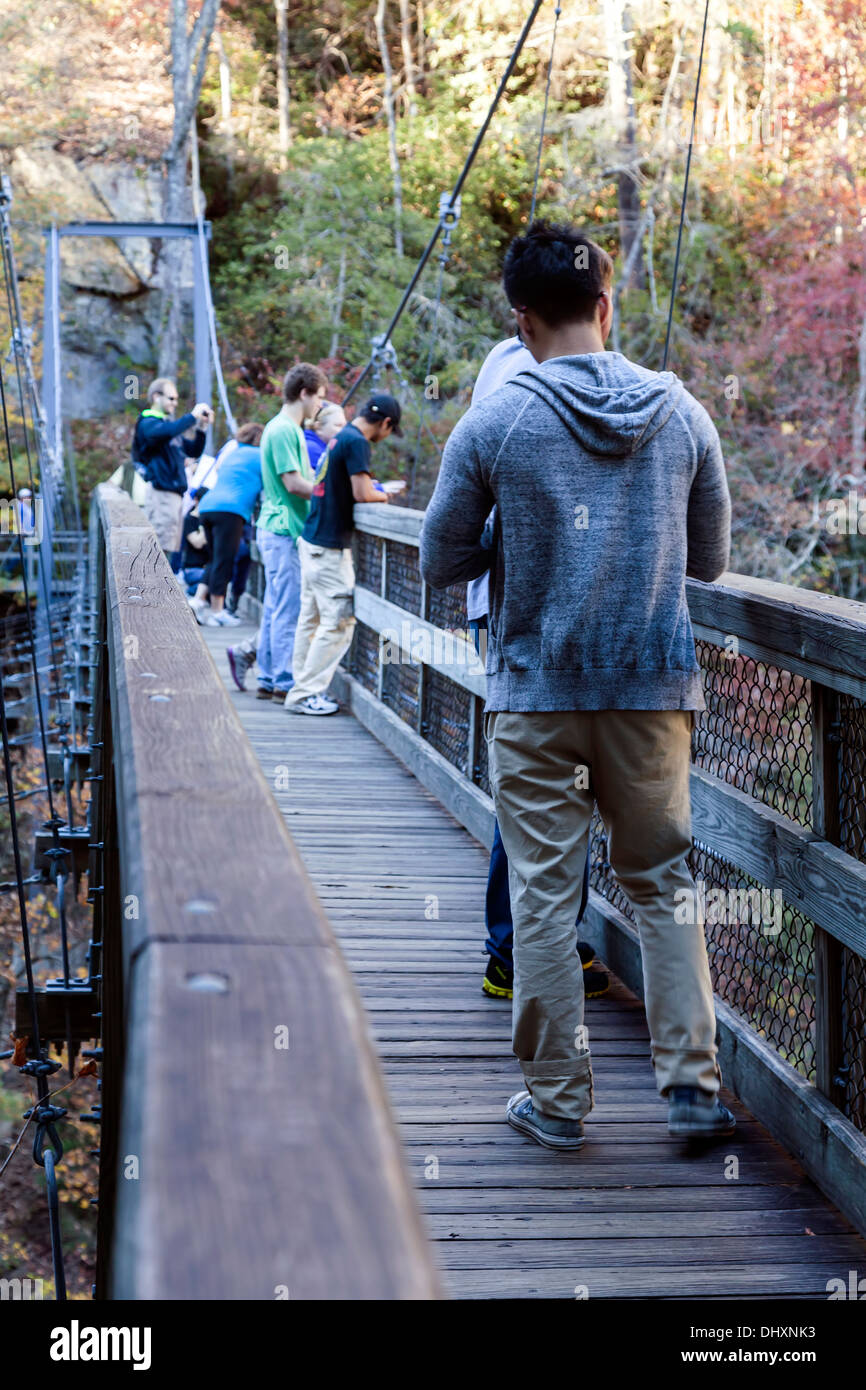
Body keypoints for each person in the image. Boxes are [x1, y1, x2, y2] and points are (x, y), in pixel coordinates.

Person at [420, 219, 734, 1150]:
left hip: (536, 696)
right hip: (651, 694)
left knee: (546, 896)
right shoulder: (683, 413)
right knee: (665, 884)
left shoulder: (496, 419)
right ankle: (690, 1088)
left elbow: (440, 557)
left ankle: (559, 1101)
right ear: (606, 304)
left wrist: (513, 543)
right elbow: (710, 562)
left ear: (521, 322)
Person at [465, 338, 608, 1004]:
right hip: (528, 607)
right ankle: (514, 947)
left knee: (542, 777)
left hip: (509, 606)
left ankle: (533, 943)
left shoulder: (503, 365)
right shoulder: (532, 377)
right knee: (545, 782)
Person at [285, 394, 404, 716]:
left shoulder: (340, 438)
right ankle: (305, 694)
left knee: (310, 621)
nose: (386, 437)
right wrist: (384, 494)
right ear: (386, 423)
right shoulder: (357, 442)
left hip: (312, 541)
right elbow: (362, 493)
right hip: (329, 549)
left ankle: (299, 688)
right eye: (390, 431)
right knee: (338, 623)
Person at [255, 364, 328, 699]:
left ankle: (269, 676)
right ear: (304, 393)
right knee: (288, 609)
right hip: (283, 529)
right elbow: (294, 483)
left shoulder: (281, 427)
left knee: (275, 606)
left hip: (274, 527)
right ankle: (285, 678)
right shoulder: (285, 429)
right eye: (319, 398)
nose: (320, 406)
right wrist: (330, 494)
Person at [191, 423, 264, 628]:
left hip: (208, 507)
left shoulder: (231, 453)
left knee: (215, 558)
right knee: (225, 560)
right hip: (230, 510)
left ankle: (199, 600)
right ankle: (217, 611)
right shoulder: (260, 456)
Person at [134, 379, 212, 568]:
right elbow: (165, 431)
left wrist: (201, 430)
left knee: (168, 547)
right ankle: (154, 594)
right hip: (162, 494)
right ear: (156, 397)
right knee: (159, 547)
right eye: (171, 398)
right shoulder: (148, 422)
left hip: (175, 496)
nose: (175, 403)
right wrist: (191, 417)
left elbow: (192, 450)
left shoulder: (167, 428)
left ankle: (160, 592)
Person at [180, 487, 212, 591]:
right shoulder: (189, 519)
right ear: (196, 500)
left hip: (207, 568)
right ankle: (193, 591)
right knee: (211, 581)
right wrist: (204, 521)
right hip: (192, 569)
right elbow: (197, 543)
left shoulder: (211, 519)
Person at [304, 402, 347, 475]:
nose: (343, 431)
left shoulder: (326, 448)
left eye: (344, 426)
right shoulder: (312, 448)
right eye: (338, 425)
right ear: (318, 427)